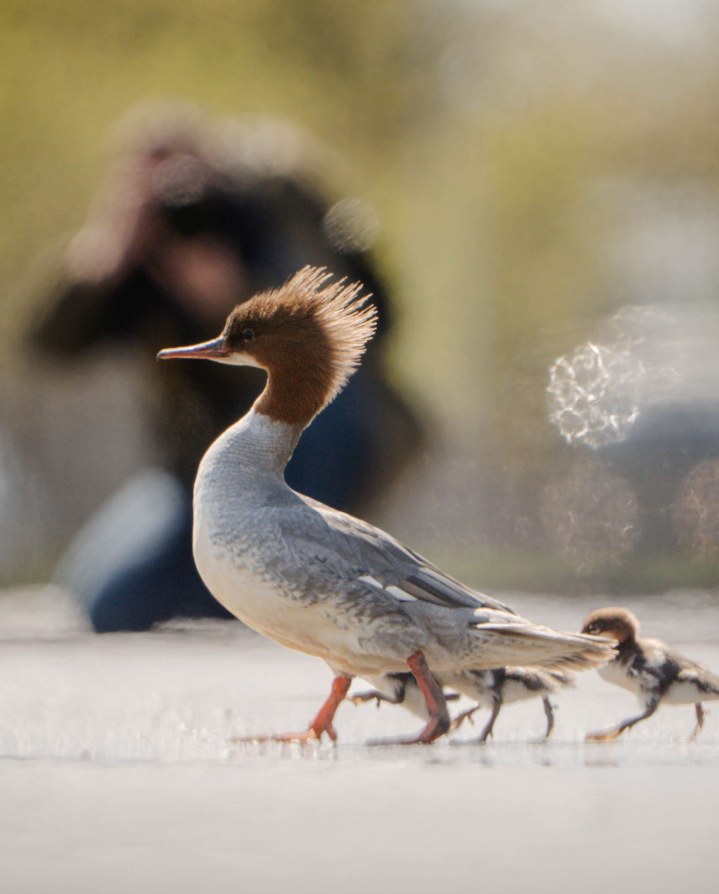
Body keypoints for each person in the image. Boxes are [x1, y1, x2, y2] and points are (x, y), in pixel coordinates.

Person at [25, 101, 422, 632]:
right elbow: (48, 347)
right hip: (196, 466)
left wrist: (244, 296)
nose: (181, 201)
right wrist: (104, 249)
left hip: (308, 442)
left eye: (189, 179)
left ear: (221, 166)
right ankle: (248, 594)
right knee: (103, 601)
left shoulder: (272, 211)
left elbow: (374, 320)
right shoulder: (142, 258)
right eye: (160, 188)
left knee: (332, 405)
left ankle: (288, 584)